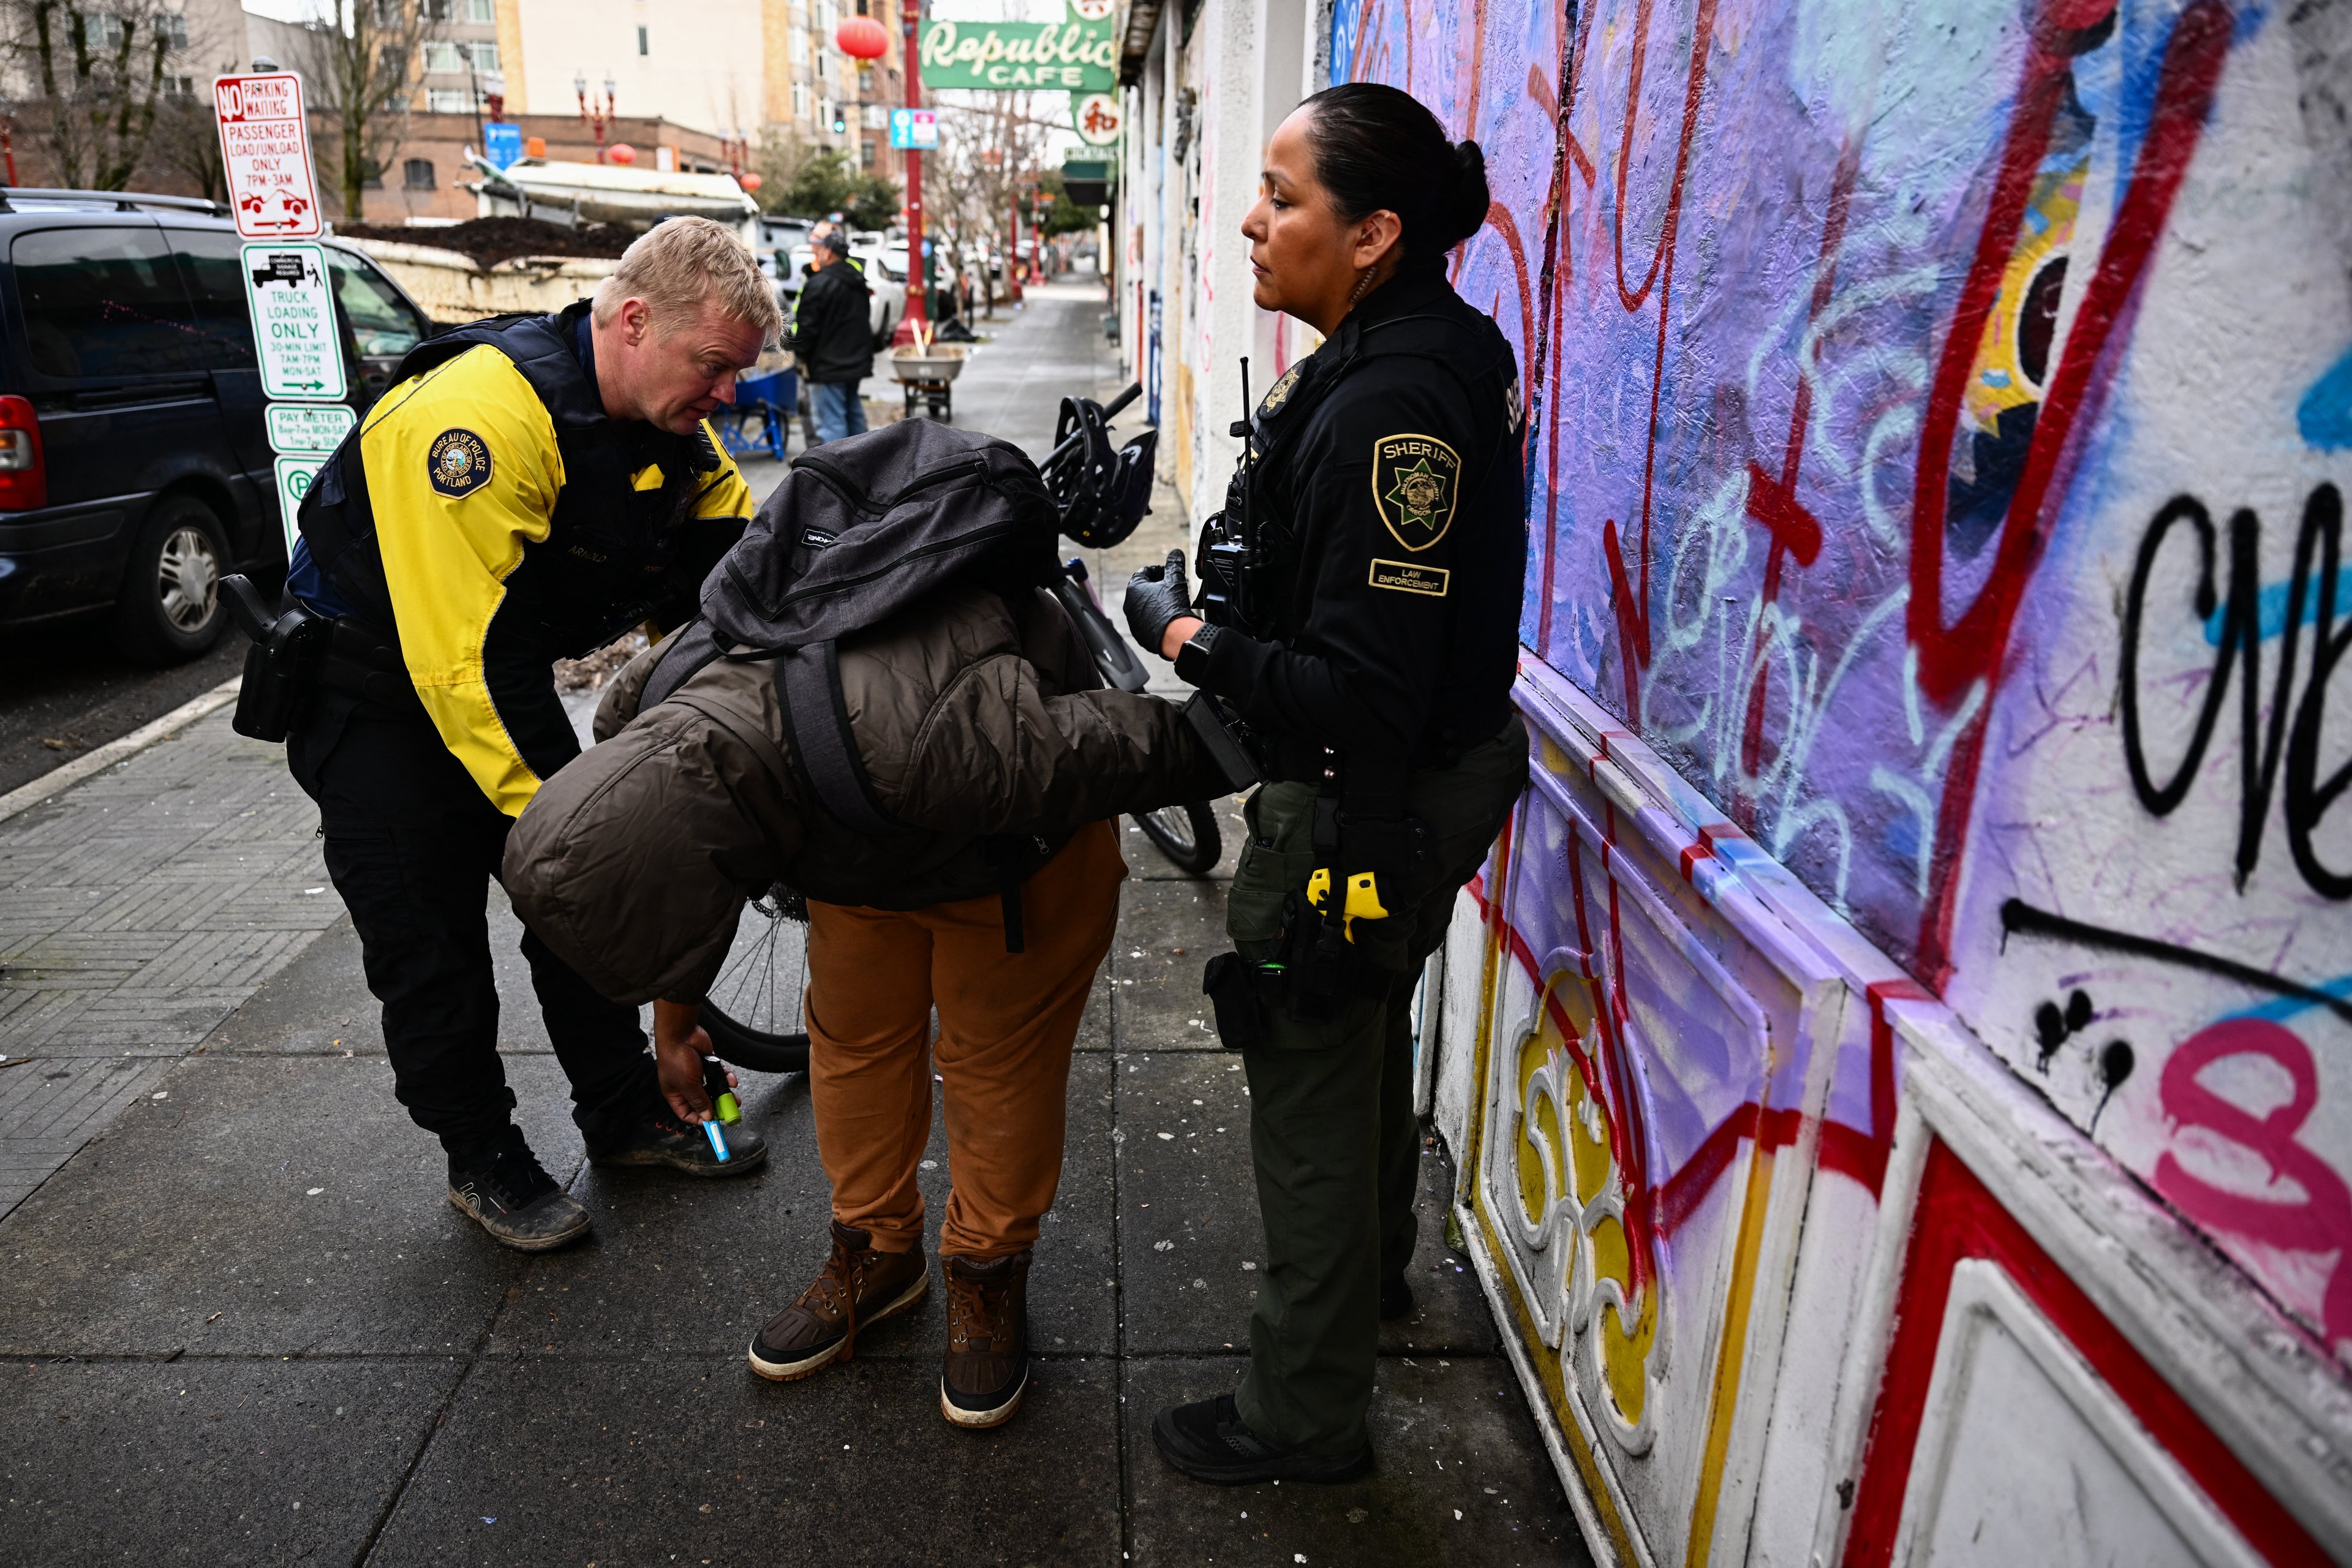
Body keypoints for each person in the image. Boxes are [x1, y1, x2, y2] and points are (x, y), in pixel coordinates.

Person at [502, 432, 1229, 1428]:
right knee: (852, 1044)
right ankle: (876, 1253)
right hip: (850, 828)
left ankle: (985, 1268)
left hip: (1020, 849)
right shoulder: (650, 705)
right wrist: (673, 1023)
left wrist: (1283, 722)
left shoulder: (939, 746)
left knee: (992, 1063)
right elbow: (674, 881)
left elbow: (1138, 747)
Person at [1123, 82, 1530, 1483]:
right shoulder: (1421, 348)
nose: (1250, 219)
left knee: (1305, 1050)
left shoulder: (1394, 401)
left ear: (1371, 235)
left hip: (1369, 790)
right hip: (1410, 779)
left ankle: (1299, 1412)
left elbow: (1363, 689)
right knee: (1363, 1018)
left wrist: (1189, 636)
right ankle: (1372, 1276)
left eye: (1283, 197)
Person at [282, 217, 787, 1251]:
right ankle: (483, 1157)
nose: (729, 394)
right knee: (434, 951)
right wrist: (581, 821)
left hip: (489, 681)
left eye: (736, 374)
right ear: (636, 321)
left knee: (577, 912)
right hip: (378, 702)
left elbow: (728, 596)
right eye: (715, 367)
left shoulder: (675, 430)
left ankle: (623, 1112)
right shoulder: (475, 419)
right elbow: (465, 663)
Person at [792, 230, 873, 443]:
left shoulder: (819, 283)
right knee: (854, 415)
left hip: (826, 367)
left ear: (828, 254)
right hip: (854, 363)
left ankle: (837, 474)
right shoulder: (858, 282)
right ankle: (866, 466)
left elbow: (807, 329)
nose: (816, 255)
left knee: (831, 426)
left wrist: (796, 349)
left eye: (819, 250)